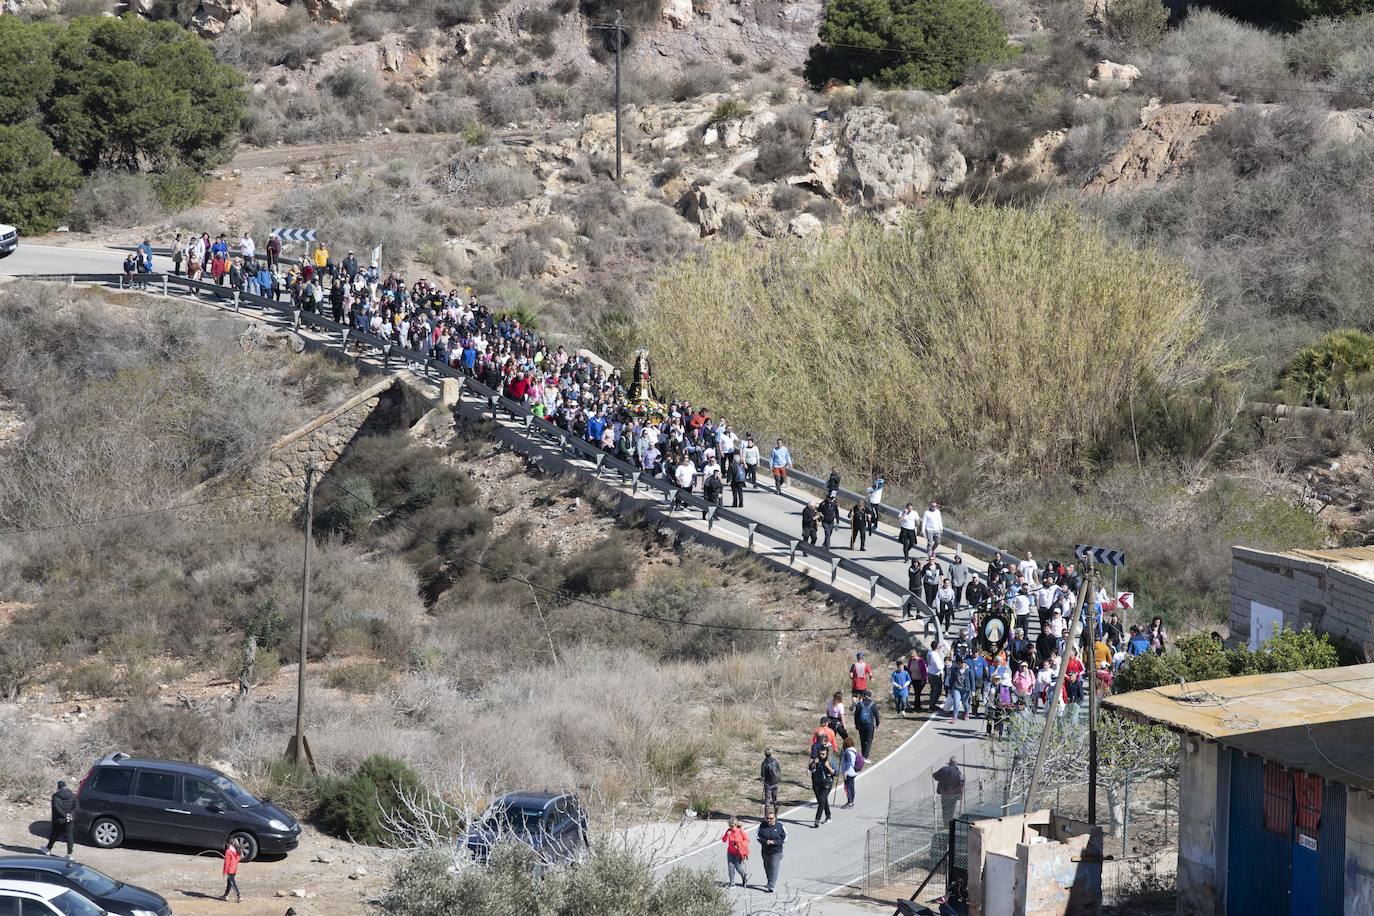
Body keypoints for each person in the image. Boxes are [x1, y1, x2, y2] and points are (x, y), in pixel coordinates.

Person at [45, 780, 76, 857]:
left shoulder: (56, 796)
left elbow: (57, 808)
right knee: (69, 836)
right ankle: (69, 854)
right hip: (70, 819)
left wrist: (65, 815)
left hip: (59, 819)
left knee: (55, 834)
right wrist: (70, 815)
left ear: (58, 787)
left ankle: (48, 849)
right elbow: (76, 806)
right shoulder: (72, 795)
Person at [757, 811, 786, 893]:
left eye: (771, 818)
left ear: (775, 818)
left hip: (776, 851)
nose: (769, 820)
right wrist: (765, 841)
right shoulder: (762, 826)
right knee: (767, 867)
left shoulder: (780, 826)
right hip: (765, 851)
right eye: (768, 818)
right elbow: (757, 836)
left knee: (774, 867)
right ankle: (770, 881)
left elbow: (785, 837)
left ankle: (771, 885)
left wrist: (775, 842)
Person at [933, 756, 964, 825]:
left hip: (945, 794)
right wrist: (960, 794)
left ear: (949, 762)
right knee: (952, 809)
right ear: (955, 763)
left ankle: (946, 824)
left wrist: (937, 775)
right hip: (954, 795)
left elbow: (935, 776)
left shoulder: (944, 769)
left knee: (945, 809)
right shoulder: (958, 772)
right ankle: (950, 824)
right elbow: (961, 783)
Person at [809, 747, 836, 827]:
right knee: (823, 800)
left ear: (826, 753)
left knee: (821, 801)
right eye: (820, 753)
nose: (821, 755)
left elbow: (836, 773)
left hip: (827, 783)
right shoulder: (817, 759)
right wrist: (814, 763)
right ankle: (828, 816)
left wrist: (828, 766)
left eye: (823, 754)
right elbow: (811, 768)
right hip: (818, 783)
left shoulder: (830, 760)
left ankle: (817, 820)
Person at [722, 817, 750, 888]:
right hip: (730, 851)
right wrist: (727, 835)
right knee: (731, 867)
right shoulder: (729, 831)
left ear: (736, 825)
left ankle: (744, 876)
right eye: (730, 826)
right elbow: (724, 840)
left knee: (738, 867)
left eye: (732, 826)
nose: (731, 828)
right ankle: (732, 883)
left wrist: (739, 843)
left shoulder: (740, 831)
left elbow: (747, 840)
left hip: (739, 852)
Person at [853, 689, 880, 757]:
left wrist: (856, 725)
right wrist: (877, 724)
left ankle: (863, 755)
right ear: (870, 697)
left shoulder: (859, 704)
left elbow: (856, 716)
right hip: (870, 725)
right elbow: (877, 715)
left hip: (861, 725)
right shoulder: (873, 705)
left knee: (862, 740)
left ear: (863, 696)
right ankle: (865, 756)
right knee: (869, 740)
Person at [840, 736, 859, 809]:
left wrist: (845, 772)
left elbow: (848, 763)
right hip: (853, 772)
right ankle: (851, 801)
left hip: (848, 773)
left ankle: (850, 802)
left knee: (847, 788)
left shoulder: (847, 752)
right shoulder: (853, 751)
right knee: (851, 787)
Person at [925, 640, 945, 711]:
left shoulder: (929, 653)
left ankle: (931, 705)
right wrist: (943, 665)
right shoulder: (935, 655)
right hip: (935, 675)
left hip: (930, 673)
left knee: (933, 690)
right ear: (936, 647)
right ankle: (932, 706)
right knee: (937, 691)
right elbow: (939, 667)